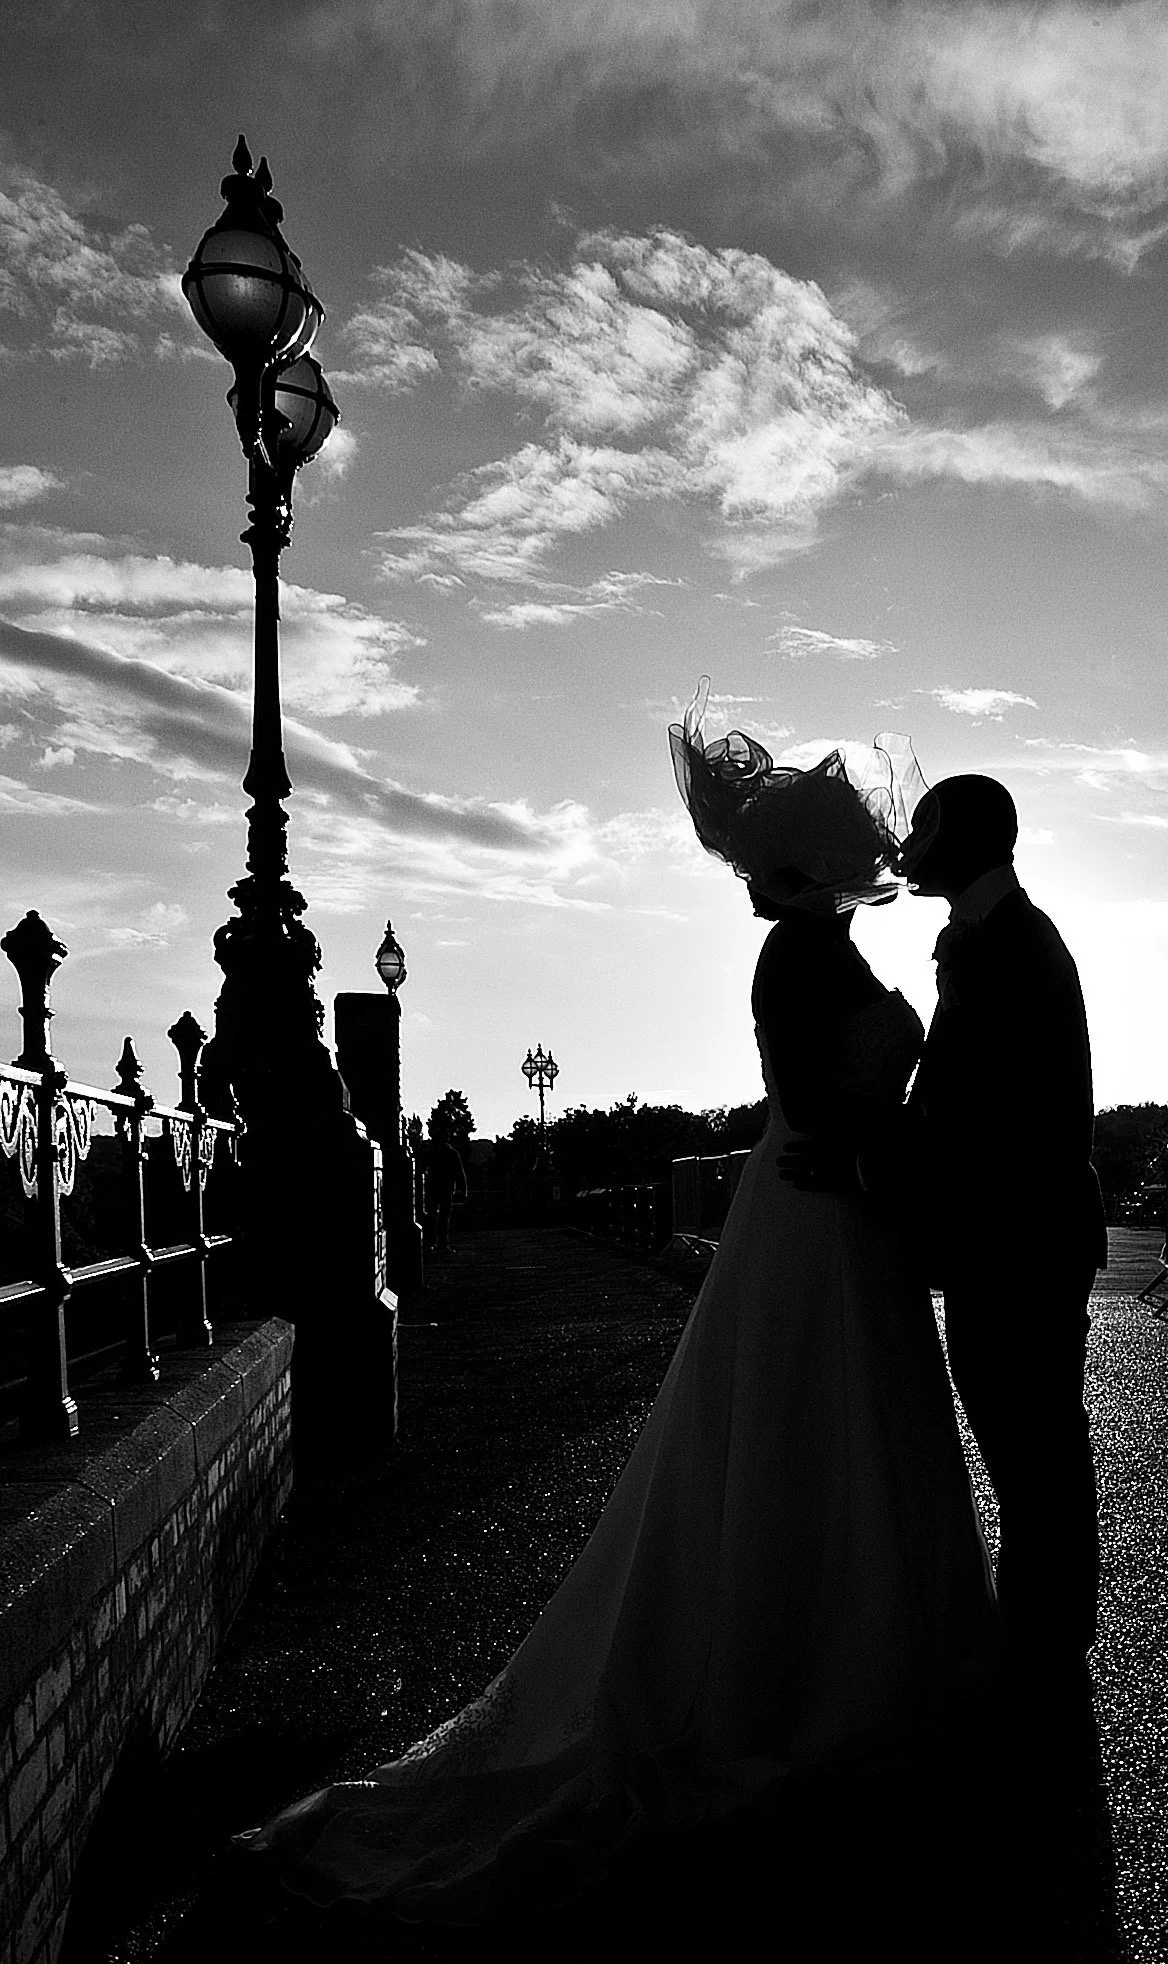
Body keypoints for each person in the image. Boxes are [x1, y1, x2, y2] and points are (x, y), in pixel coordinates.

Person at [236, 681, 999, 1927]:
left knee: (829, 1422)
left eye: (770, 871)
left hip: (834, 1212)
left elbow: (829, 1096)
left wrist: (872, 1136)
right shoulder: (799, 958)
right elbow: (809, 1098)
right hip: (816, 1209)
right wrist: (878, 1128)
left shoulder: (821, 952)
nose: (756, 888)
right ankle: (818, 1665)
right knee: (807, 1420)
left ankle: (840, 1650)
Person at [898, 776, 1107, 1686]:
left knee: (1035, 1443)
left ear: (972, 840)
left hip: (1021, 1241)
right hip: (1012, 1238)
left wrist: (881, 1159)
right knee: (1026, 1440)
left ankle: (1048, 1643)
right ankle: (1044, 1629)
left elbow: (982, 1113)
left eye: (928, 828)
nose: (913, 845)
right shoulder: (1000, 937)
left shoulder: (1017, 944)